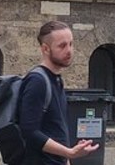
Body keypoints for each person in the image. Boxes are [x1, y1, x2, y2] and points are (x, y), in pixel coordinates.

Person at [18, 21, 99, 164]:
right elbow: (29, 131)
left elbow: (56, 127)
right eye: (62, 45)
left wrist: (66, 158)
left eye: (71, 44)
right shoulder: (37, 81)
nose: (69, 50)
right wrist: (69, 152)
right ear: (45, 49)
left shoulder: (56, 80)